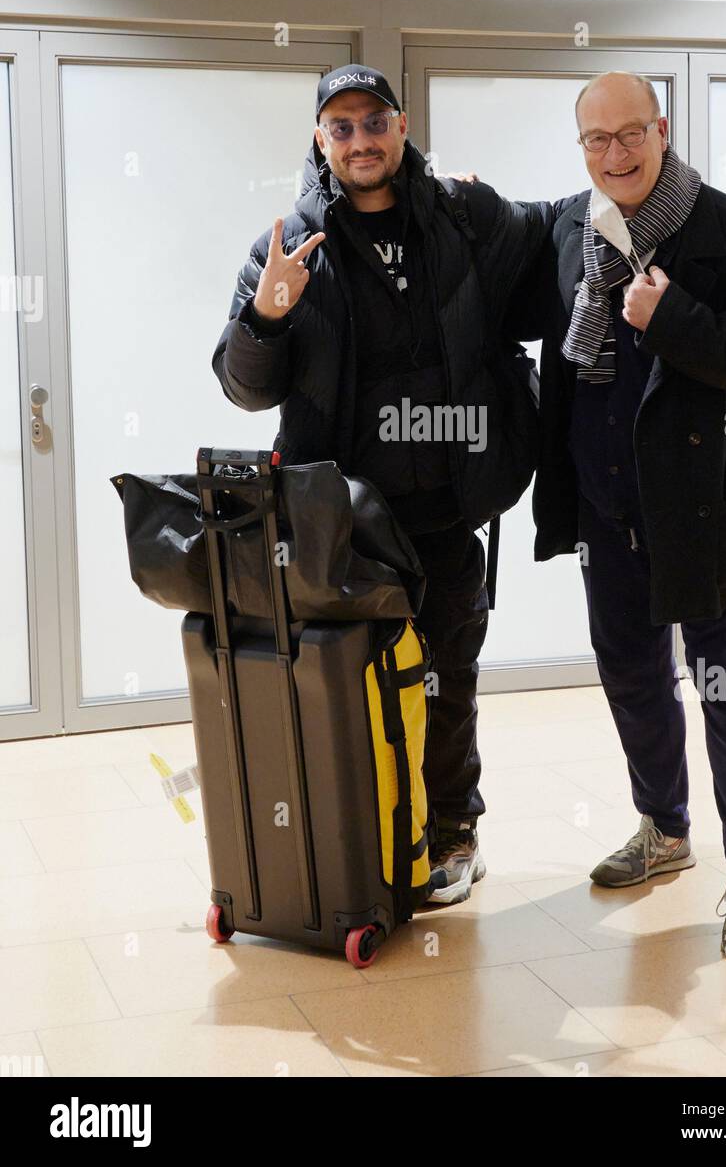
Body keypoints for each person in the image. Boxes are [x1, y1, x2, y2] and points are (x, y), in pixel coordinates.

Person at [213, 64, 577, 905]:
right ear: (320, 141)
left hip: (449, 508)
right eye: (340, 128)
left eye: (373, 122)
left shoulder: (460, 213)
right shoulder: (288, 244)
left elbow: (557, 224)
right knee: (344, 678)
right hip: (340, 521)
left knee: (448, 675)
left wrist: (628, 179)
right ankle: (359, 830)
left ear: (401, 125)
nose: (360, 140)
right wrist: (267, 314)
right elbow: (241, 385)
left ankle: (452, 829)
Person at [524, 70, 726, 957]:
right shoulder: (575, 226)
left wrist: (673, 316)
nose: (614, 154)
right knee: (633, 677)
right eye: (595, 140)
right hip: (608, 511)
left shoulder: (722, 228)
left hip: (705, 513)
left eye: (630, 134)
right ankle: (666, 828)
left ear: (662, 129)